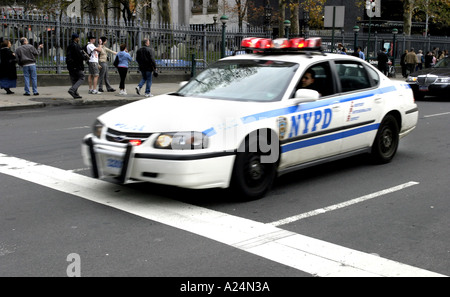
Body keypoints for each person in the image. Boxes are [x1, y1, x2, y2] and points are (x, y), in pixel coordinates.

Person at [66, 33, 88, 99]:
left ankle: (75, 93)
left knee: (74, 80)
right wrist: (85, 57)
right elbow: (79, 56)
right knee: (82, 77)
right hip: (76, 65)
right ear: (75, 38)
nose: (78, 39)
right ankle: (72, 90)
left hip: (70, 65)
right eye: (78, 38)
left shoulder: (69, 45)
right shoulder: (76, 46)